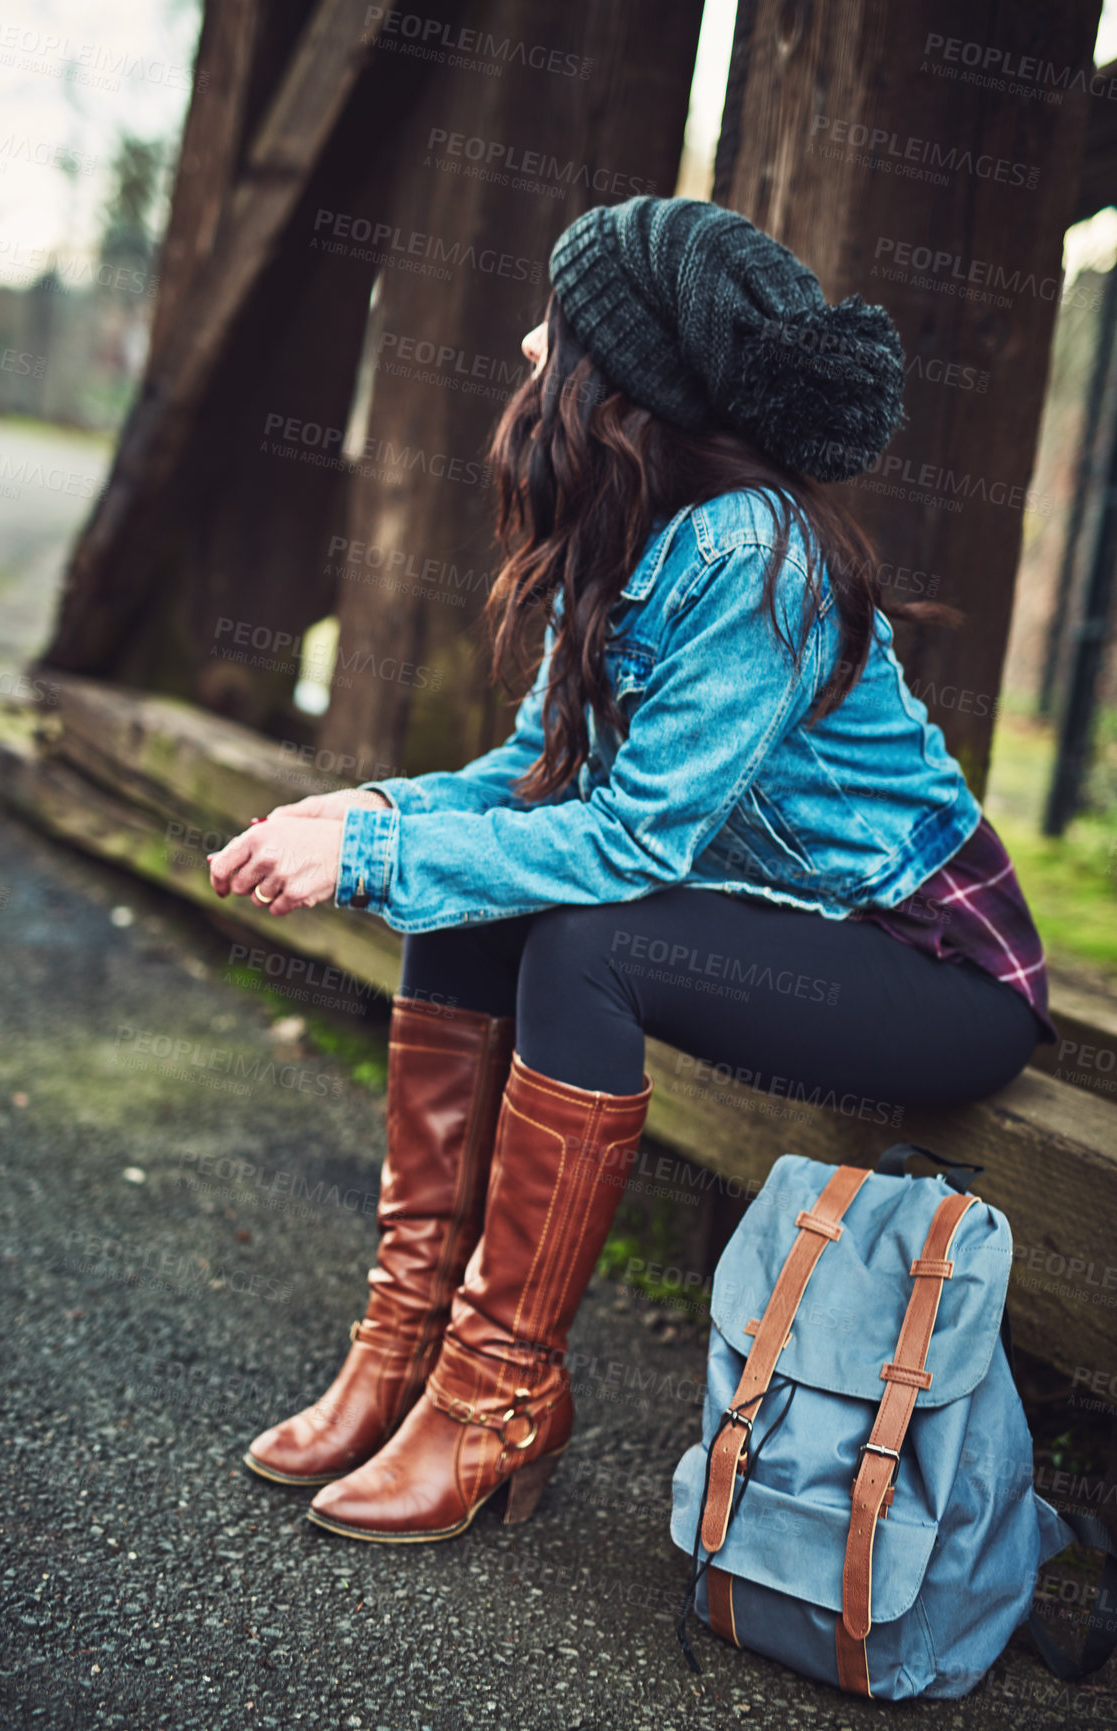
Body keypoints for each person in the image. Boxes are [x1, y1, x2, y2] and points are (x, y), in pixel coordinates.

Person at [207, 196, 1055, 1545]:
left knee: (579, 934)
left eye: (562, 324)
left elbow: (630, 845)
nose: (531, 343)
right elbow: (529, 788)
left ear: (629, 380)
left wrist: (372, 849)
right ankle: (405, 1345)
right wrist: (362, 808)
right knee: (485, 893)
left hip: (933, 968)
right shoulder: (633, 529)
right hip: (792, 923)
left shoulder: (754, 555)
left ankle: (497, 1397)